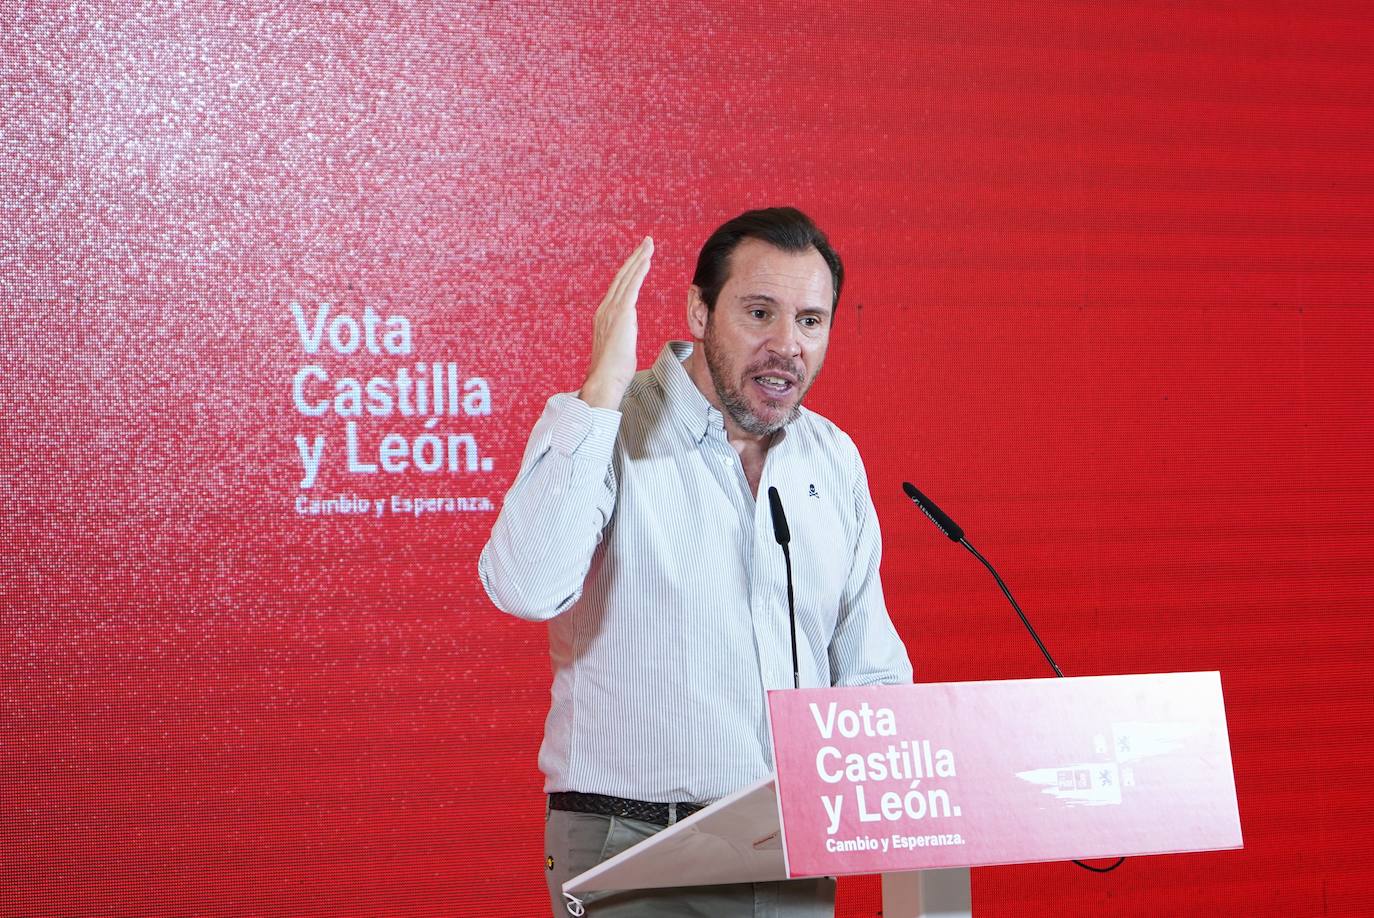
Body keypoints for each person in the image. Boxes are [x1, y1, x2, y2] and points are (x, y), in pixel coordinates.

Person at [479, 207, 913, 917]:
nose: (786, 345)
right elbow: (525, 587)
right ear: (700, 310)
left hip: (786, 855)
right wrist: (599, 393)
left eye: (809, 321)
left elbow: (869, 668)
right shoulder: (609, 426)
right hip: (632, 846)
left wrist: (917, 770)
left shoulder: (832, 458)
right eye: (759, 313)